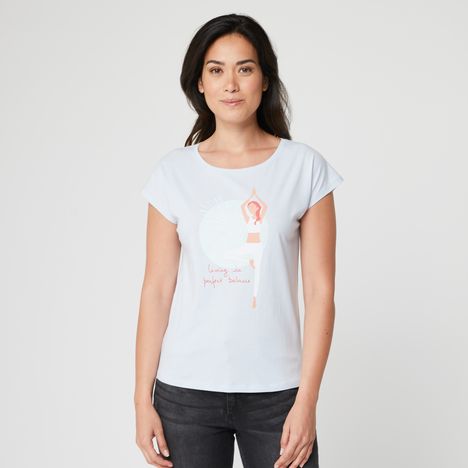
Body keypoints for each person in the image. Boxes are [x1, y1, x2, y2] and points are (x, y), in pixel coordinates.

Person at [134, 13, 344, 468]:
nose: (231, 84)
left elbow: (320, 292)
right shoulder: (172, 174)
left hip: (279, 394)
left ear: (264, 79)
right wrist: (140, 399)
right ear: (200, 83)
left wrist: (307, 400)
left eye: (244, 68)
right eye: (216, 70)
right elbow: (157, 290)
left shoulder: (304, 168)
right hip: (185, 393)